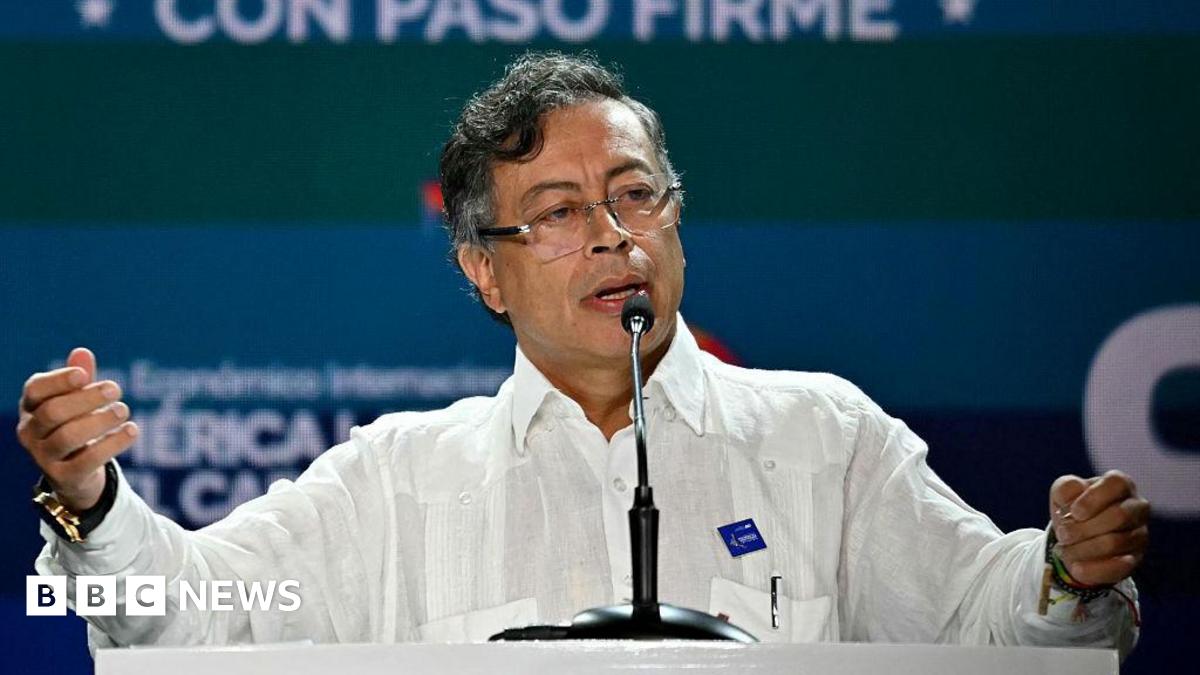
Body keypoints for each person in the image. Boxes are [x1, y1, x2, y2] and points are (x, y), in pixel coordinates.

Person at [20, 52, 1148, 654]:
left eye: (634, 194)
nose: (613, 235)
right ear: (483, 269)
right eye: (559, 211)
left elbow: (986, 621)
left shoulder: (824, 436)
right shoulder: (396, 480)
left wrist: (1063, 571)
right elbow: (190, 615)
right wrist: (91, 500)